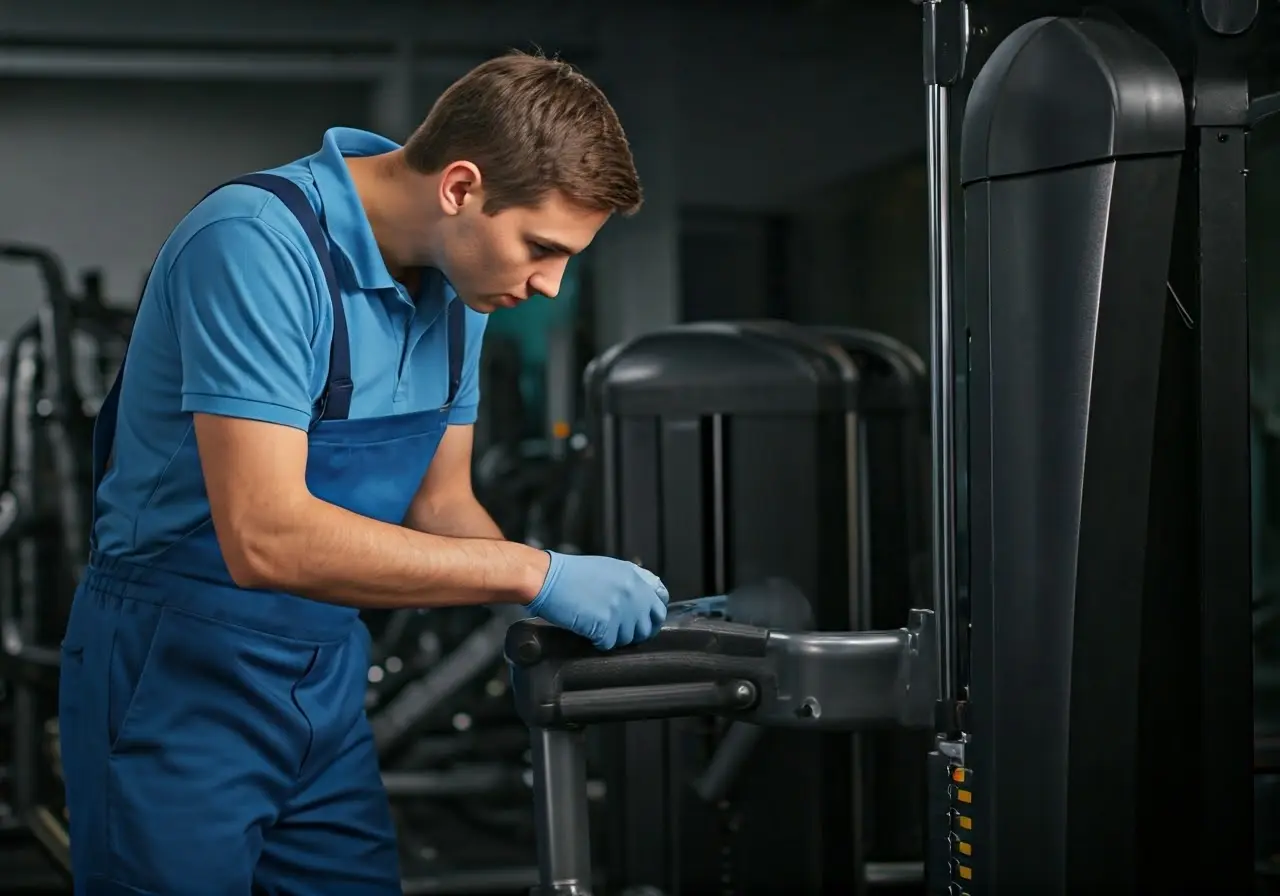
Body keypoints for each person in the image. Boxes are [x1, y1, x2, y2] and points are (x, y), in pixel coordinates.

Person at [58, 51, 670, 895]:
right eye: (540, 247)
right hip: (174, 673)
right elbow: (265, 539)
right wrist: (537, 571)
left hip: (324, 681)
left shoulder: (463, 292)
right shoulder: (257, 243)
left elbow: (441, 502)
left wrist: (544, 614)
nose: (551, 285)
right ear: (460, 188)